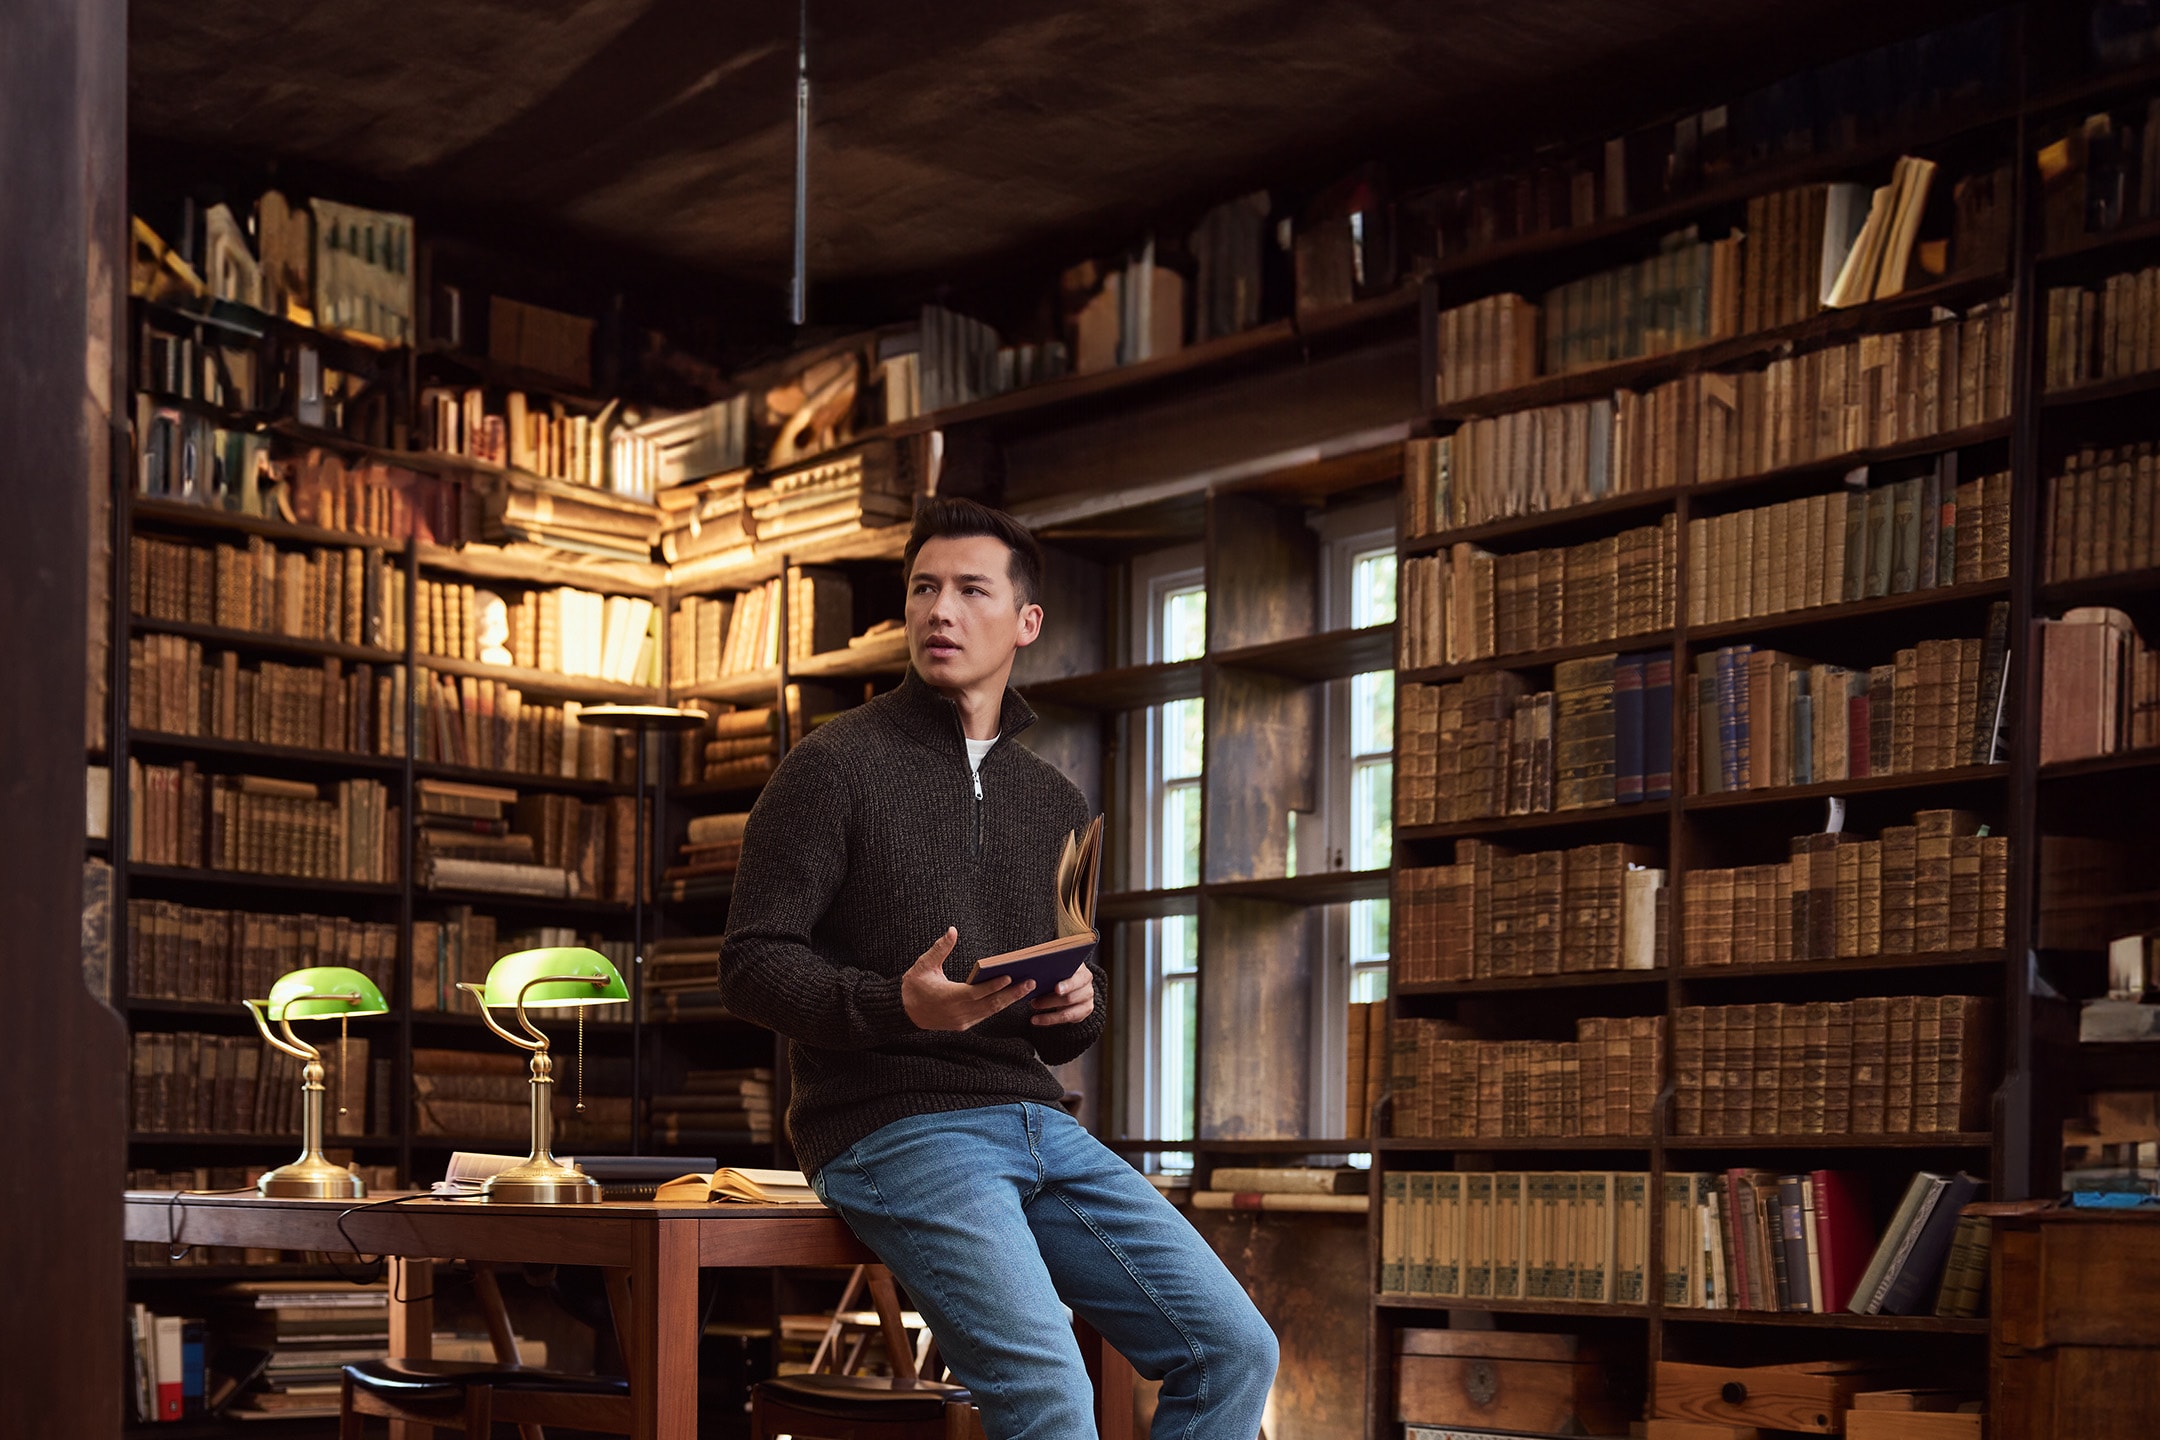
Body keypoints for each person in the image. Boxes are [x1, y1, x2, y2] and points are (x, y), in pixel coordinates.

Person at [720, 496, 1278, 1439]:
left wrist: (1078, 1005)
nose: (941, 610)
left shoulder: (1056, 800)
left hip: (1033, 1119)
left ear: (1025, 623)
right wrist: (897, 1006)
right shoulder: (830, 767)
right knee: (1052, 1400)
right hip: (891, 1125)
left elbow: (1067, 1015)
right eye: (924, 588)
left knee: (1234, 1352)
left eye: (971, 590)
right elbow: (751, 965)